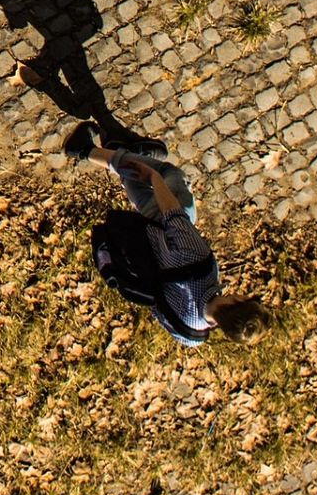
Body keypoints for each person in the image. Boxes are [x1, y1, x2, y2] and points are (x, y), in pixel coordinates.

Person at [66, 121, 269, 346]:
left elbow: (173, 215)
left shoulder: (200, 265)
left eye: (245, 298)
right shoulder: (191, 334)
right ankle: (123, 151)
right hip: (144, 248)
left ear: (237, 302)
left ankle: (86, 150)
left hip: (161, 225)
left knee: (169, 175)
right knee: (142, 196)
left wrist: (154, 177)